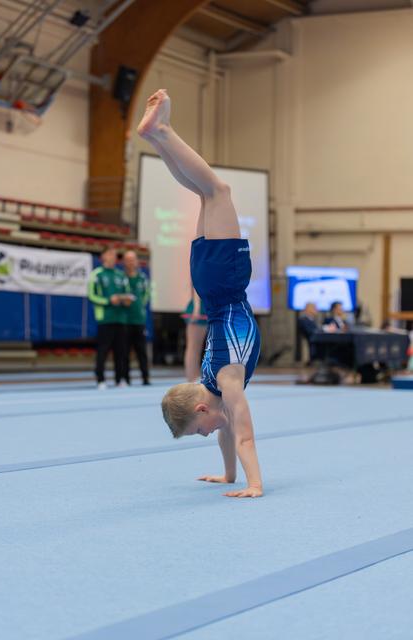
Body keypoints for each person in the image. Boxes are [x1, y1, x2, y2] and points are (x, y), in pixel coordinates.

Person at [138, 88, 262, 498]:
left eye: (198, 430)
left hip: (225, 284)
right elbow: (229, 430)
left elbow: (244, 436)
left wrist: (255, 485)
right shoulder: (211, 385)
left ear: (200, 407)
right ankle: (156, 138)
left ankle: (163, 131)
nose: (206, 435)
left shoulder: (227, 381)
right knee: (202, 192)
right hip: (208, 284)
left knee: (219, 191)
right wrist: (228, 476)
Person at [88, 246, 131, 389]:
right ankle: (100, 380)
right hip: (105, 319)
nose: (114, 256)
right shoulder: (96, 274)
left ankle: (120, 379)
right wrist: (108, 300)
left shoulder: (121, 275)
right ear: (103, 256)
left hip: (121, 318)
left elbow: (128, 294)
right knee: (103, 351)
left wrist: (126, 300)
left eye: (115, 254)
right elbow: (91, 295)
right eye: (110, 254)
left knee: (121, 351)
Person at [121, 250, 151, 385]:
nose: (130, 262)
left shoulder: (143, 278)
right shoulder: (120, 278)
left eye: (132, 259)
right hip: (124, 320)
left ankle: (145, 378)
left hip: (139, 320)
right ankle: (126, 379)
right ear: (124, 262)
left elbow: (146, 296)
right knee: (125, 352)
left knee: (142, 352)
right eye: (127, 259)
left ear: (137, 261)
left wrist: (139, 307)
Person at [183, 288, 208, 382]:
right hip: (199, 310)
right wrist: (196, 309)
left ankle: (194, 378)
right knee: (193, 348)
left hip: (207, 308)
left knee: (197, 349)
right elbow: (196, 289)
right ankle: (191, 379)